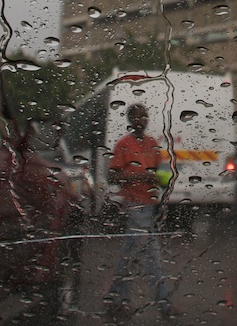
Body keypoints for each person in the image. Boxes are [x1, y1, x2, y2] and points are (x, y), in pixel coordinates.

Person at [103, 103, 176, 320]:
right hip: (134, 205)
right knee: (152, 255)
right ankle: (163, 304)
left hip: (150, 205)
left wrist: (162, 180)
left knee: (129, 256)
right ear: (130, 120)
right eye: (136, 117)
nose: (141, 120)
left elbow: (161, 174)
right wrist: (140, 176)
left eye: (144, 116)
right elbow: (112, 176)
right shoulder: (123, 145)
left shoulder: (152, 144)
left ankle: (115, 300)